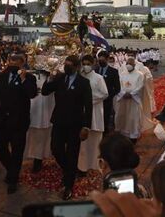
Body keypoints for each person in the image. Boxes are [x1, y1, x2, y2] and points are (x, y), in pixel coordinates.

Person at [42, 55, 93, 200]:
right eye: (66, 64)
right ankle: (69, 170)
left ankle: (68, 185)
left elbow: (88, 106)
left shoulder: (84, 83)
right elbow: (45, 92)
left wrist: (86, 126)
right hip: (58, 122)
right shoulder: (59, 78)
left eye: (70, 65)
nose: (66, 67)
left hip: (75, 124)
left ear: (77, 67)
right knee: (56, 149)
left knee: (72, 153)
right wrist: (50, 78)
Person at [0, 54, 37, 194]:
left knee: (17, 151)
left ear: (22, 64)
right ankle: (12, 170)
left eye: (15, 61)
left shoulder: (29, 78)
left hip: (19, 121)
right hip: (3, 119)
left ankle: (13, 179)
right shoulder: (2, 76)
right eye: (11, 61)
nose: (12, 63)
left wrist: (23, 80)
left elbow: (32, 94)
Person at [77, 55, 108, 173]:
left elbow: (105, 94)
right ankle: (82, 166)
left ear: (93, 64)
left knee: (95, 141)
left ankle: (95, 164)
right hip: (83, 112)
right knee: (83, 143)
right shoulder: (80, 77)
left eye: (88, 64)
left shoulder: (98, 78)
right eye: (84, 64)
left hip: (95, 111)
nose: (86, 66)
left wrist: (89, 100)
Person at [24, 70, 55, 173]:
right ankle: (32, 157)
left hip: (46, 111)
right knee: (31, 135)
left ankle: (39, 159)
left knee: (44, 136)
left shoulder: (52, 77)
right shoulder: (31, 76)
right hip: (33, 110)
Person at [114, 57, 144, 142]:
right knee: (122, 115)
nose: (128, 65)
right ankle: (121, 131)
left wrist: (131, 94)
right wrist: (124, 93)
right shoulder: (122, 74)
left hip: (134, 100)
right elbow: (119, 85)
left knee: (133, 117)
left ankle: (133, 134)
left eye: (130, 64)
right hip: (123, 99)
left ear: (134, 65)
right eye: (127, 63)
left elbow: (140, 86)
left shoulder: (140, 75)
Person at [96, 51, 120, 134]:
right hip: (96, 100)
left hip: (107, 100)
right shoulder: (95, 70)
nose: (100, 62)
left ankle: (105, 134)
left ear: (107, 59)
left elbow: (117, 88)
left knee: (105, 118)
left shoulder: (113, 72)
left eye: (102, 60)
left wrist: (109, 96)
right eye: (99, 60)